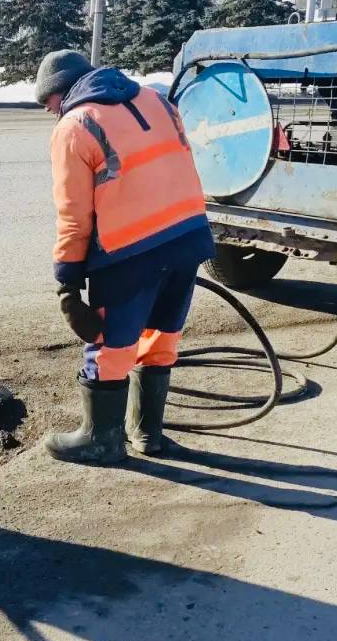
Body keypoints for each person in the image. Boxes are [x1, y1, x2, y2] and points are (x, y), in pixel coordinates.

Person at [35, 50, 214, 465]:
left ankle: (101, 439)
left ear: (60, 95)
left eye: (48, 106)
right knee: (161, 333)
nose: (50, 114)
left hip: (131, 252)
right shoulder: (157, 101)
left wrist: (67, 282)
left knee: (111, 344)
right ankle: (148, 433)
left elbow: (74, 217)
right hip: (188, 238)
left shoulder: (75, 126)